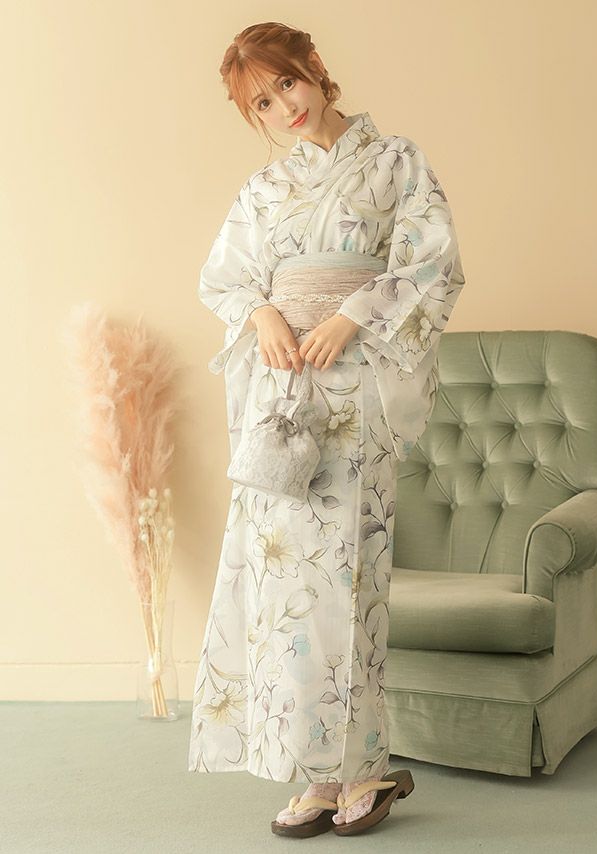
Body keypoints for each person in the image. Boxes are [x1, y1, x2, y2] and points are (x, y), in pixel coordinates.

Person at [188, 21, 466, 837]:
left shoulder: (395, 161)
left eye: (286, 83)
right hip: (282, 398)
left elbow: (433, 263)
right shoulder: (264, 190)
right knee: (283, 589)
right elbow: (225, 280)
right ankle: (313, 775)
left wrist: (354, 314)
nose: (284, 108)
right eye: (261, 103)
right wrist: (264, 313)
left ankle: (366, 769)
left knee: (349, 582)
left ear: (314, 66)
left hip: (354, 393)